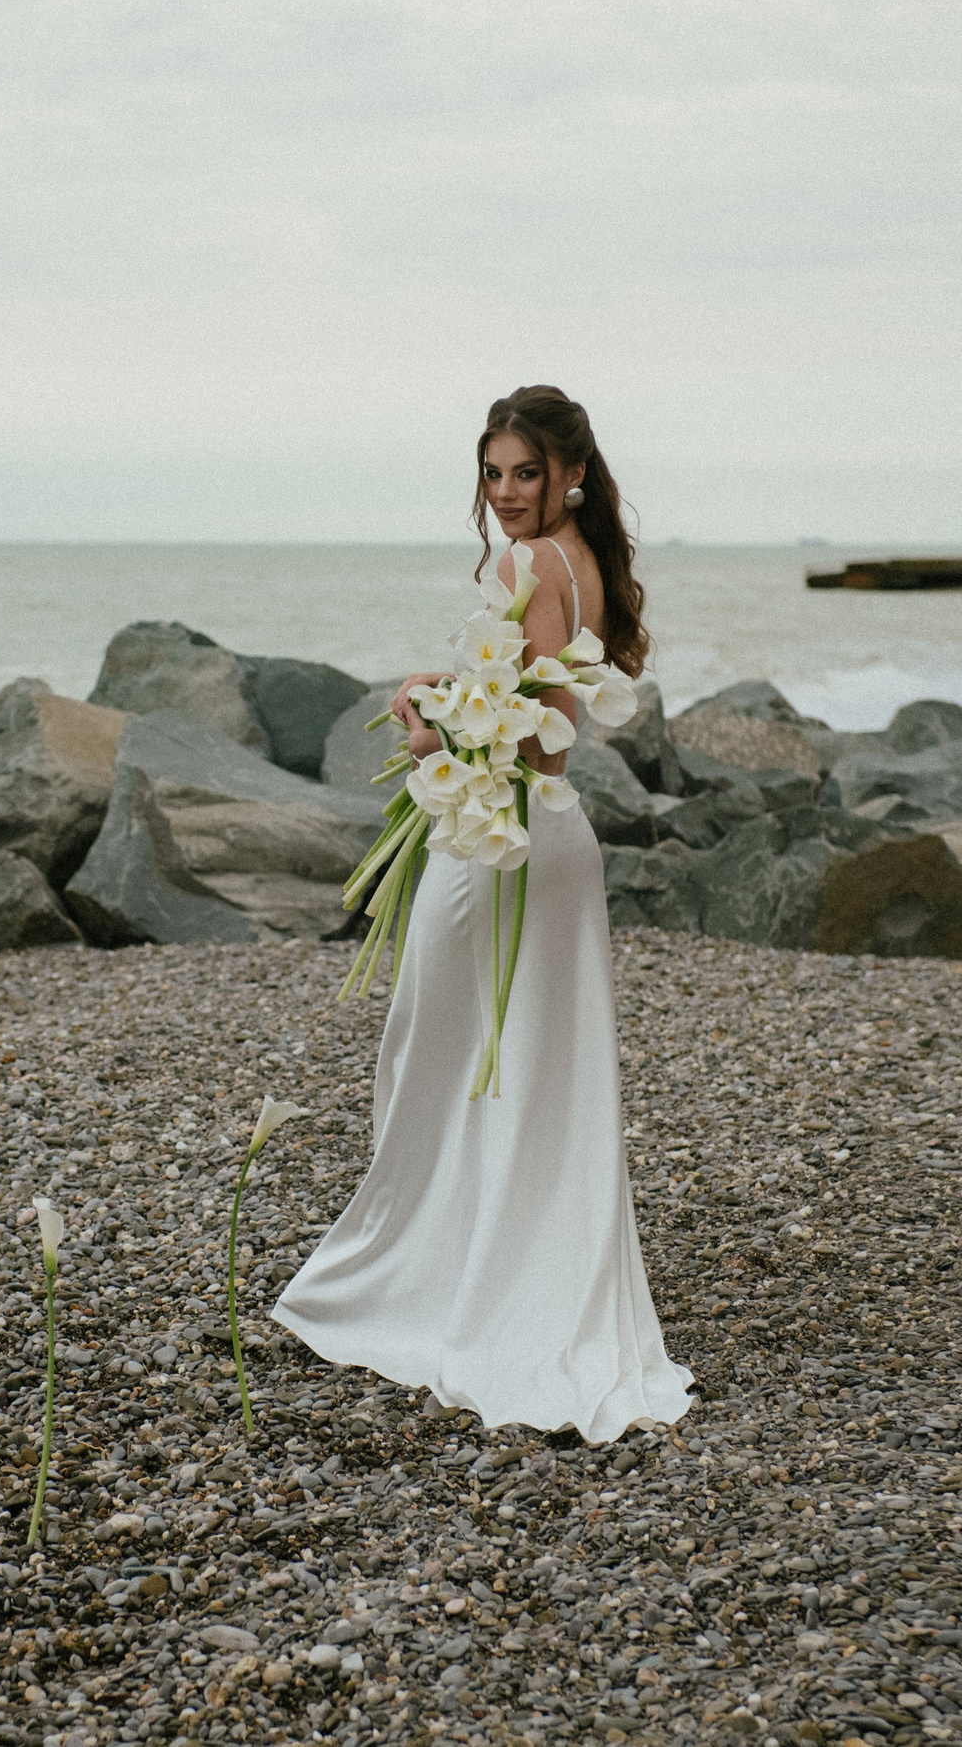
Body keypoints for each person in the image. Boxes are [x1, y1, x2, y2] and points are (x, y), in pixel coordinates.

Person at [271, 385, 694, 1443]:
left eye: (526, 473)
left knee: (433, 1059)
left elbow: (531, 743)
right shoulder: (589, 567)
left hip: (500, 846)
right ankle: (513, 1279)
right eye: (493, 472)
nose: (506, 494)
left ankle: (432, 1288)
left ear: (571, 475)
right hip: (555, 846)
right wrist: (456, 690)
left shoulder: (524, 565)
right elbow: (550, 720)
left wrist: (430, 728)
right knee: (536, 1079)